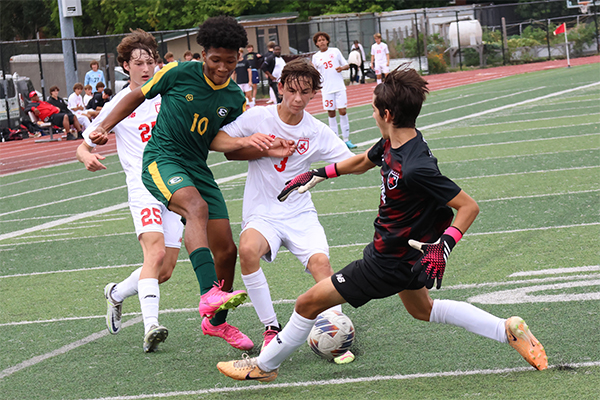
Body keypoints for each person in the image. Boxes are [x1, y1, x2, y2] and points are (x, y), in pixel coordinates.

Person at [217, 65, 549, 382]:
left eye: (375, 109)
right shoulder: (397, 140)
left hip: (386, 262)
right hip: (405, 255)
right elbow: (363, 161)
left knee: (307, 303)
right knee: (423, 309)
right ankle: (505, 328)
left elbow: (468, 207)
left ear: (387, 115)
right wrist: (320, 173)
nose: (373, 114)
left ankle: (264, 365)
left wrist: (444, 246)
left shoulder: (416, 166)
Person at [87, 16, 278, 351]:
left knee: (227, 250)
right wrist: (105, 125)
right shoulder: (178, 73)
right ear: (203, 54)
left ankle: (215, 322)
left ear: (240, 57)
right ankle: (208, 295)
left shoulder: (234, 97)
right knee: (195, 208)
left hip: (197, 167)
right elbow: (136, 97)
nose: (221, 67)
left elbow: (224, 143)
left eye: (230, 62)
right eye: (215, 60)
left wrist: (264, 146)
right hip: (163, 158)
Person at [222, 58, 354, 354]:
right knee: (246, 249)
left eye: (305, 92)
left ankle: (337, 330)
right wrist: (260, 146)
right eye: (292, 90)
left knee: (321, 265)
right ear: (280, 87)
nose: (297, 98)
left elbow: (350, 162)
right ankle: (271, 327)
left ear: (313, 94)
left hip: (299, 212)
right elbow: (221, 143)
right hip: (262, 212)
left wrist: (322, 172)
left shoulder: (315, 131)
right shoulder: (258, 117)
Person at [76, 29, 185, 353]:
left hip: (175, 187)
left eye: (150, 61)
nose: (146, 67)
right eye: (138, 62)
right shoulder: (119, 104)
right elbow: (83, 145)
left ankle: (117, 293)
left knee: (164, 271)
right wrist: (88, 155)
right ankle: (151, 325)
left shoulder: (169, 95)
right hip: (143, 187)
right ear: (125, 66)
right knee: (154, 253)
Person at [311, 32, 355, 149]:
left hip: (339, 87)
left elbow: (347, 65)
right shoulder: (315, 57)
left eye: (323, 40)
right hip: (326, 89)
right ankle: (335, 140)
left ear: (327, 41)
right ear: (316, 43)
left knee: (343, 111)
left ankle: (346, 139)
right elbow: (314, 72)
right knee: (331, 112)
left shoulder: (335, 51)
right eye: (319, 40)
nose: (321, 42)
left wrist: (341, 68)